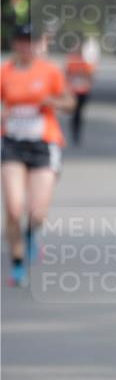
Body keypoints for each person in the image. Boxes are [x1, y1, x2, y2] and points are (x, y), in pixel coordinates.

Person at [1, 24, 75, 286]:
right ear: (15, 44)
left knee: (37, 212)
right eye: (22, 41)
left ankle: (33, 234)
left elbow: (69, 103)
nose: (26, 46)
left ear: (39, 45)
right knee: (13, 207)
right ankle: (18, 265)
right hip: (12, 144)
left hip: (44, 145)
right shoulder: (4, 72)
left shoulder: (50, 71)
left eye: (31, 42)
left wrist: (51, 102)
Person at [65, 37, 96, 144]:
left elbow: (91, 75)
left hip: (83, 90)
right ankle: (74, 132)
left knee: (79, 113)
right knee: (74, 112)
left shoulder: (87, 61)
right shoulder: (72, 59)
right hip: (73, 91)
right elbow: (67, 73)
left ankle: (77, 133)